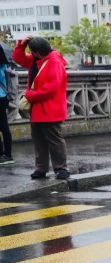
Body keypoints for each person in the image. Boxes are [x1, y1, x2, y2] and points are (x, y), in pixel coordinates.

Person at [13, 36, 69, 180]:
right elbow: (18, 58)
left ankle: (61, 168)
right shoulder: (37, 60)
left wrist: (29, 96)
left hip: (50, 108)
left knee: (54, 139)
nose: (30, 54)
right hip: (38, 108)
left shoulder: (54, 62)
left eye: (31, 52)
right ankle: (41, 169)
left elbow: (51, 89)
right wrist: (22, 44)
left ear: (37, 52)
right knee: (39, 140)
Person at [0, 61, 13, 165]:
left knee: (4, 127)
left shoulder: (2, 67)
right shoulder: (3, 65)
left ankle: (6, 155)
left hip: (0, 97)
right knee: (4, 126)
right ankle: (6, 154)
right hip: (3, 97)